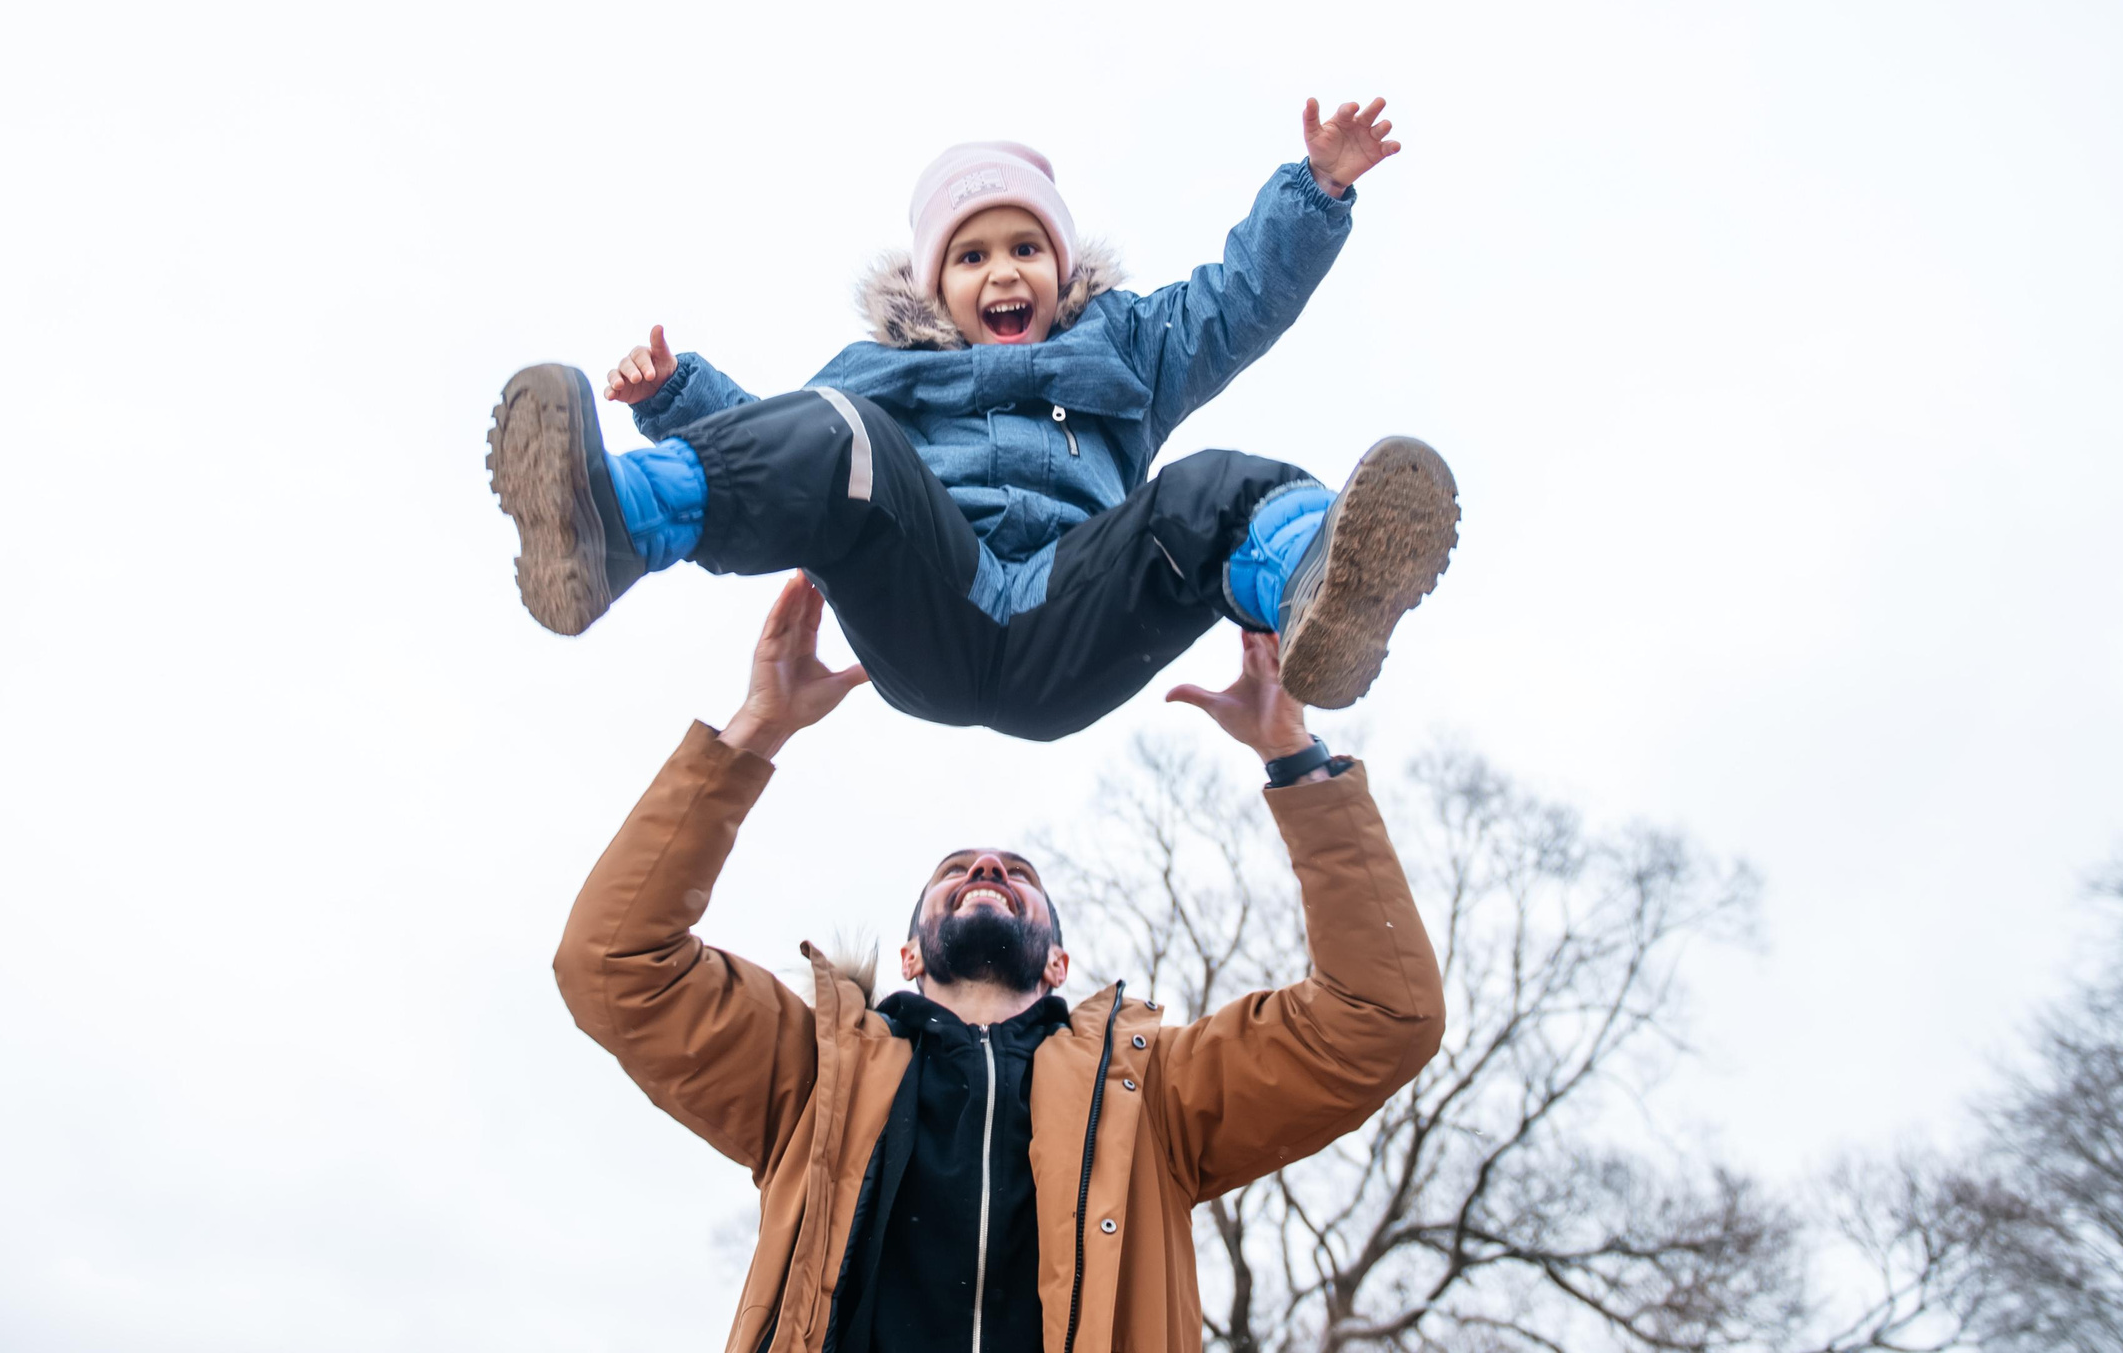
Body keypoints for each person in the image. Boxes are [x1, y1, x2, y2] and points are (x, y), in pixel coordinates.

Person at [554, 574, 1446, 1353]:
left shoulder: (1154, 1098)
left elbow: (1381, 1017)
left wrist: (1294, 756)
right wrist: (756, 729)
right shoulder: (812, 1074)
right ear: (910, 954)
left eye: (1019, 874)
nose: (988, 868)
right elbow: (613, 960)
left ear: (1057, 962)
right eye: (959, 870)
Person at [488, 99, 1460, 740]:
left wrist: (1314, 193)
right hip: (930, 601)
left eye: (1027, 248)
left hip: (1075, 612)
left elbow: (1234, 305)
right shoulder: (878, 375)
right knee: (840, 432)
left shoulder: (1124, 348)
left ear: (1061, 268)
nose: (1003, 272)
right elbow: (780, 452)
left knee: (1215, 487)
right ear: (935, 286)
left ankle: (1315, 586)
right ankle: (611, 524)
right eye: (972, 256)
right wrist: (675, 399)